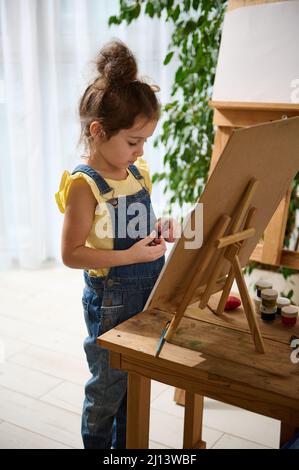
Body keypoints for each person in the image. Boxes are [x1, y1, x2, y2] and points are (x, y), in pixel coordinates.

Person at [55, 39, 177, 449]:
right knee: (108, 390)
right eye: (133, 141)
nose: (141, 150)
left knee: (135, 388)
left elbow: (133, 225)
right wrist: (130, 255)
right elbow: (72, 253)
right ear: (97, 131)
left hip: (145, 296)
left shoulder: (137, 171)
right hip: (110, 301)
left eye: (145, 140)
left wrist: (159, 227)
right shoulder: (85, 185)